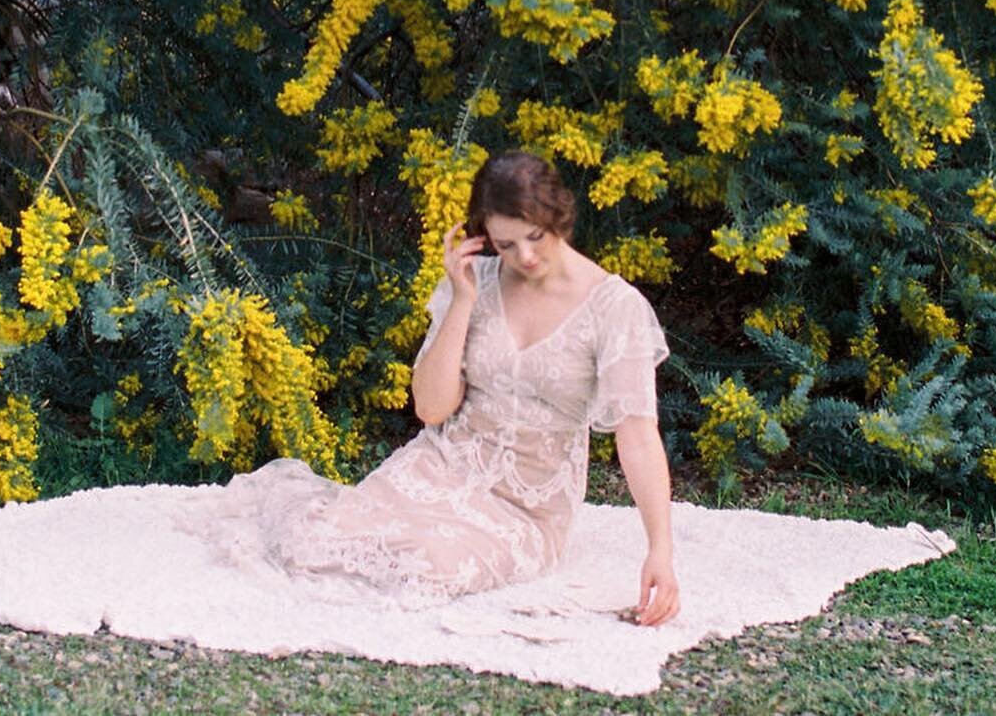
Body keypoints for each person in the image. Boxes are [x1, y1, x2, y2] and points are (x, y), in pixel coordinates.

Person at [242, 149, 679, 624]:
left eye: (535, 237)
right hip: (439, 468)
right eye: (506, 245)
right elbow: (431, 409)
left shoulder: (616, 308)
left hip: (525, 508)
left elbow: (637, 434)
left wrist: (661, 550)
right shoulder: (477, 281)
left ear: (560, 218)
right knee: (314, 537)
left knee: (431, 564)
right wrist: (463, 300)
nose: (525, 257)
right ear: (486, 238)